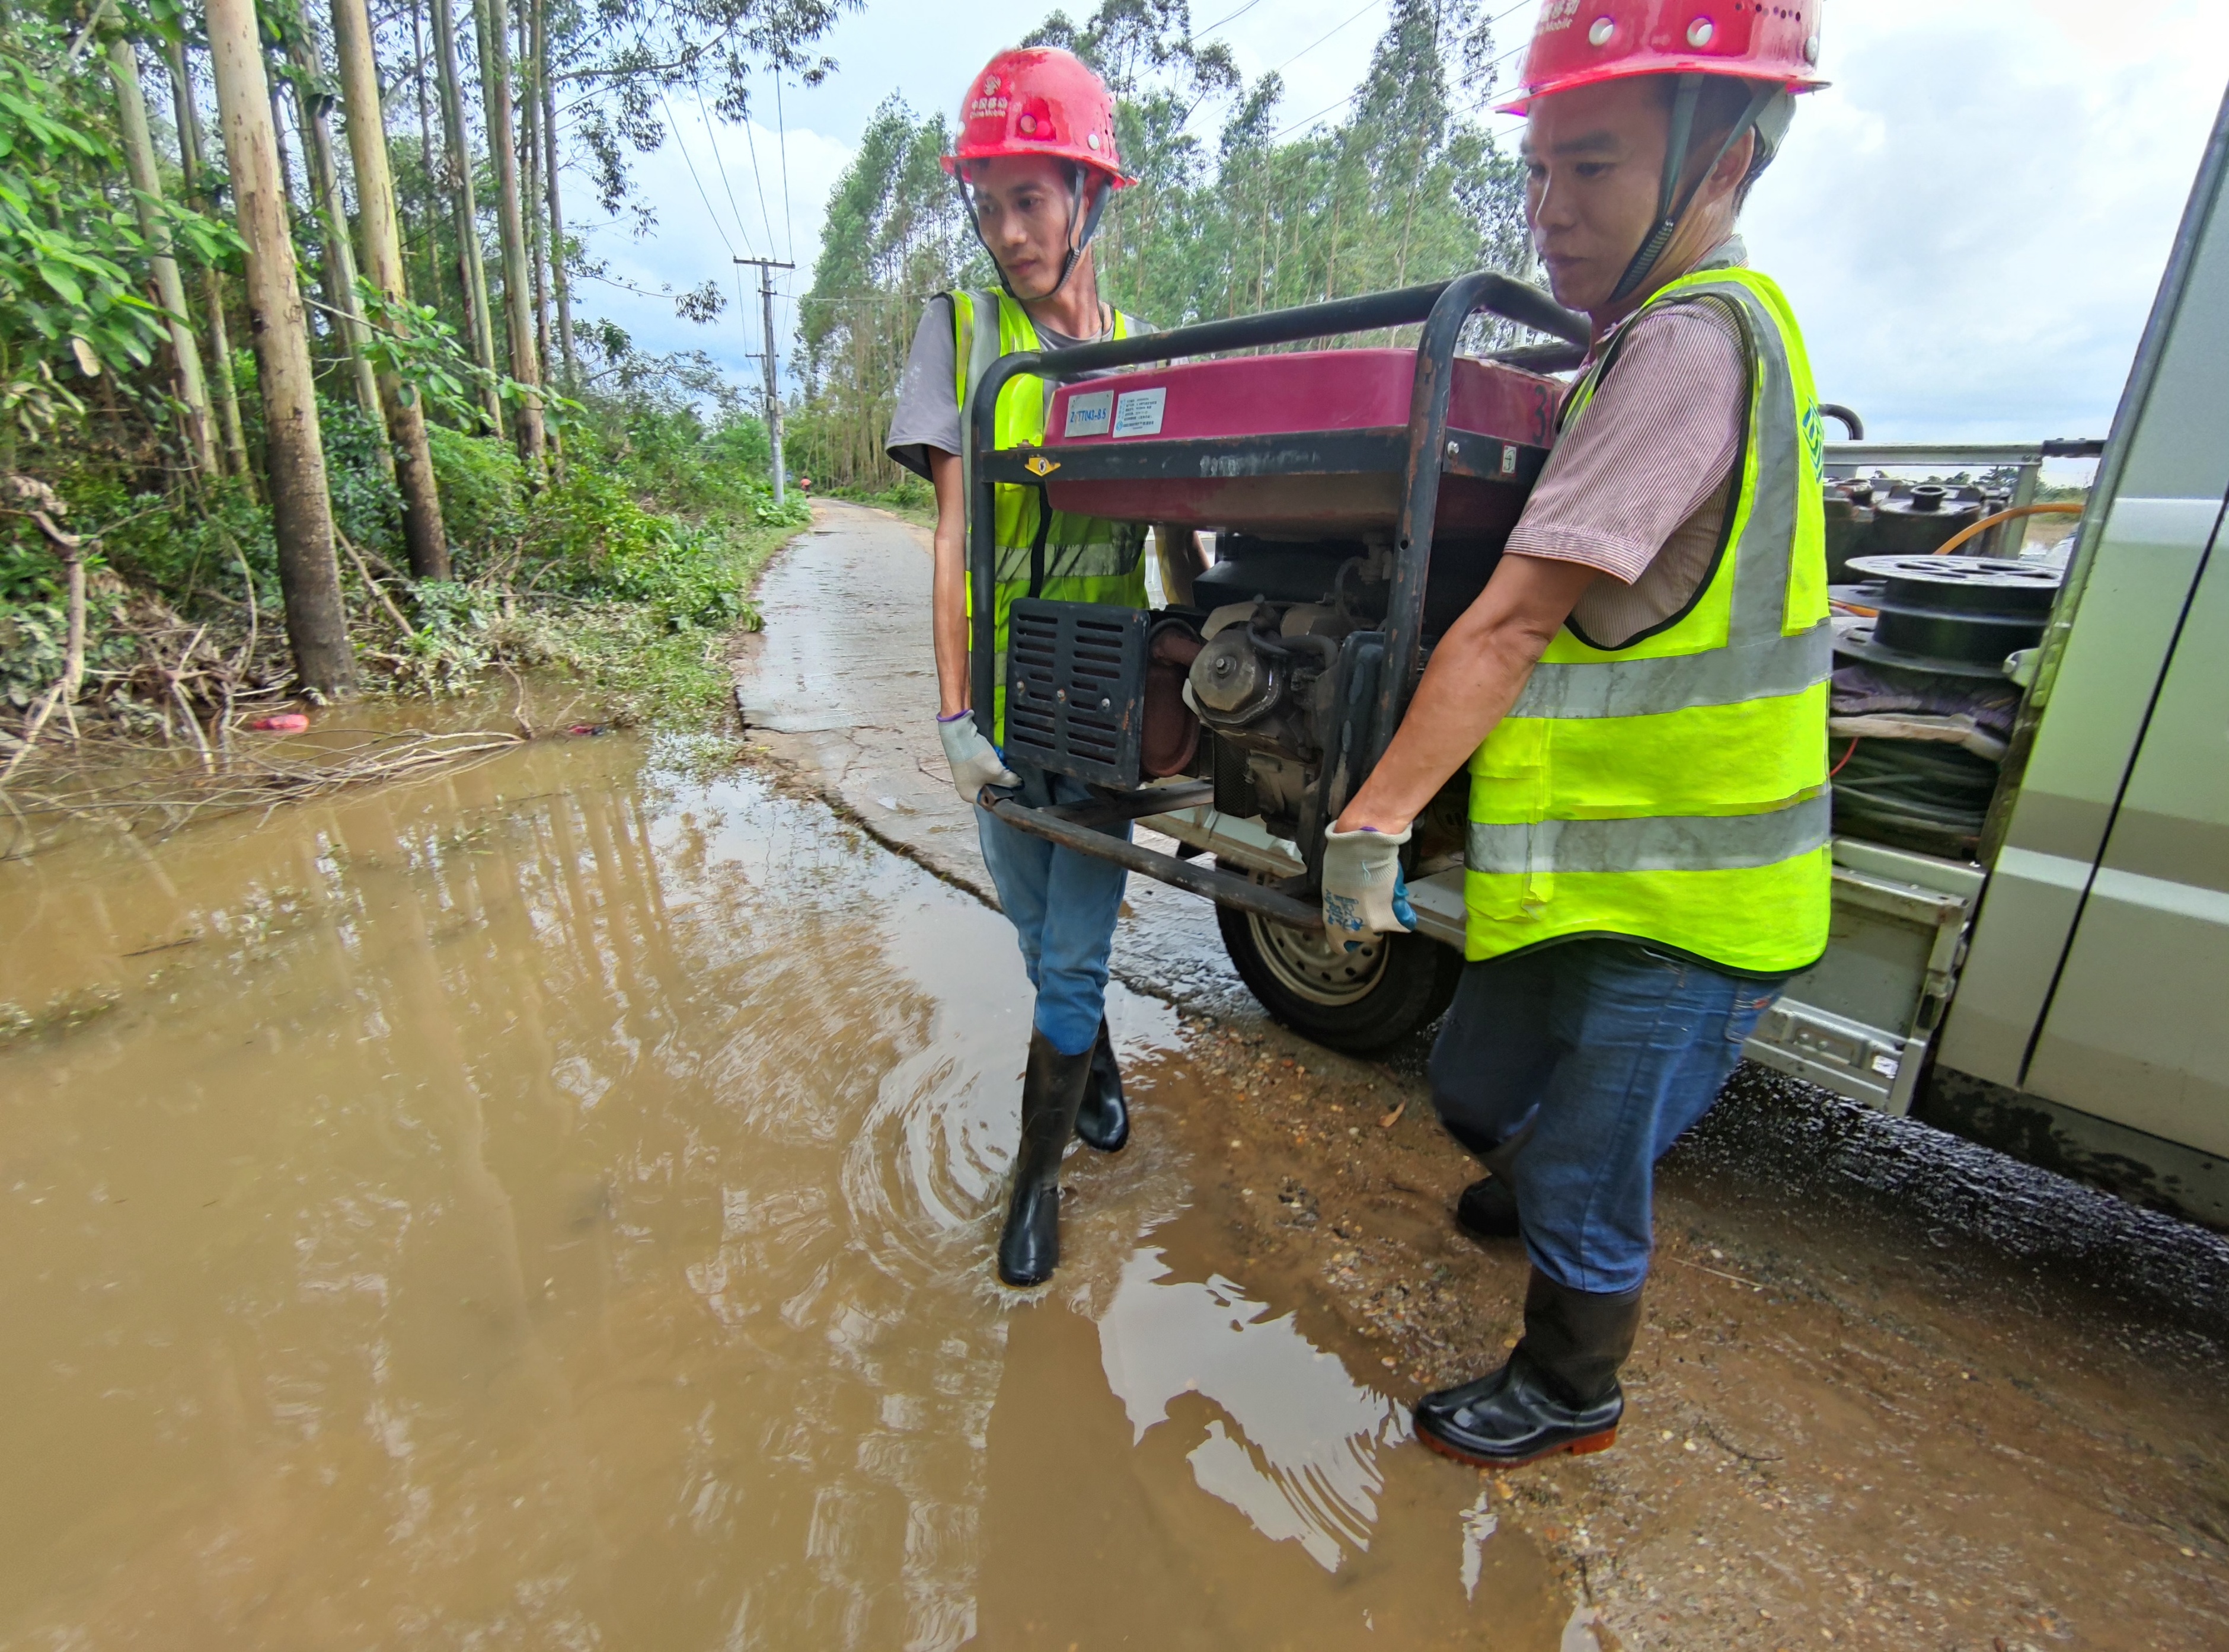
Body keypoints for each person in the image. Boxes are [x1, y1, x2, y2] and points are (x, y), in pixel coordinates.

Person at [1318, 0, 1834, 1466]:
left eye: (1590, 169)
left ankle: (1567, 1385)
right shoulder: (1647, 350)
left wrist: (1367, 827)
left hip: (1689, 903)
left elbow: (1509, 624)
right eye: (1537, 172)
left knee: (1592, 1174)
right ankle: (1537, 1181)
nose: (1547, 215)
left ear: (1724, 162)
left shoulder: (1690, 343)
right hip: (1584, 875)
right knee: (1475, 1084)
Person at [886, 46, 1201, 1289]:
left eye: (1033, 198)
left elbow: (1179, 532)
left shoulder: (1138, 353)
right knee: (1035, 932)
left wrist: (1201, 635)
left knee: (1069, 950)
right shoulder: (960, 330)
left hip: (1107, 698)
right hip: (1007, 698)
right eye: (991, 200)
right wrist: (955, 710)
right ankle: (1097, 1065)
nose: (1009, 230)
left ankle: (1033, 1182)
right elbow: (955, 533)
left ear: (1089, 196)